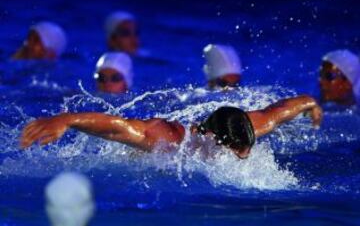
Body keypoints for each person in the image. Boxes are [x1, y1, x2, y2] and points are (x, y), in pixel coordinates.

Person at [21, 95, 322, 159]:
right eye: (232, 153)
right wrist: (67, 119)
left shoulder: (251, 127)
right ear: (209, 136)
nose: (240, 161)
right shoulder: (168, 140)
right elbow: (118, 127)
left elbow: (279, 111)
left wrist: (311, 103)